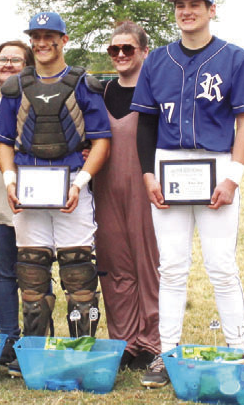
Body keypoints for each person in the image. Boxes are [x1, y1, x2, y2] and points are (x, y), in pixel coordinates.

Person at [132, 0, 244, 388]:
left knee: (221, 267)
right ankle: (165, 354)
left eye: (195, 4)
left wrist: (233, 176)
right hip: (169, 166)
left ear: (211, 9)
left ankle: (239, 350)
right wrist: (148, 173)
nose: (186, 11)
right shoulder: (157, 61)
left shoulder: (235, 58)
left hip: (216, 163)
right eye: (180, 5)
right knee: (171, 268)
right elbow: (146, 122)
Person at [0, 12, 111, 374]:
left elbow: (101, 140)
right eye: (36, 36)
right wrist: (9, 181)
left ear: (64, 39)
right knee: (31, 272)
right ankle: (35, 355)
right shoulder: (16, 86)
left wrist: (81, 183)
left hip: (71, 180)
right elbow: (3, 141)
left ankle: (79, 353)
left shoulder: (82, 84)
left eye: (50, 36)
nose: (42, 43)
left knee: (78, 271)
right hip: (29, 187)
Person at [92, 21, 160, 370]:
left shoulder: (156, 92)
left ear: (144, 51)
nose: (120, 55)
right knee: (115, 267)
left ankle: (153, 341)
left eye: (128, 49)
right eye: (114, 50)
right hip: (105, 188)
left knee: (148, 265)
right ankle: (126, 342)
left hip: (145, 187)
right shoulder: (101, 92)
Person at [0, 40, 34, 366]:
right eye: (3, 60)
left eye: (17, 60)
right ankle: (8, 339)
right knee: (1, 272)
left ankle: (36, 336)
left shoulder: (40, 97)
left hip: (34, 199)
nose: (9, 65)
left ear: (29, 65)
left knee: (33, 272)